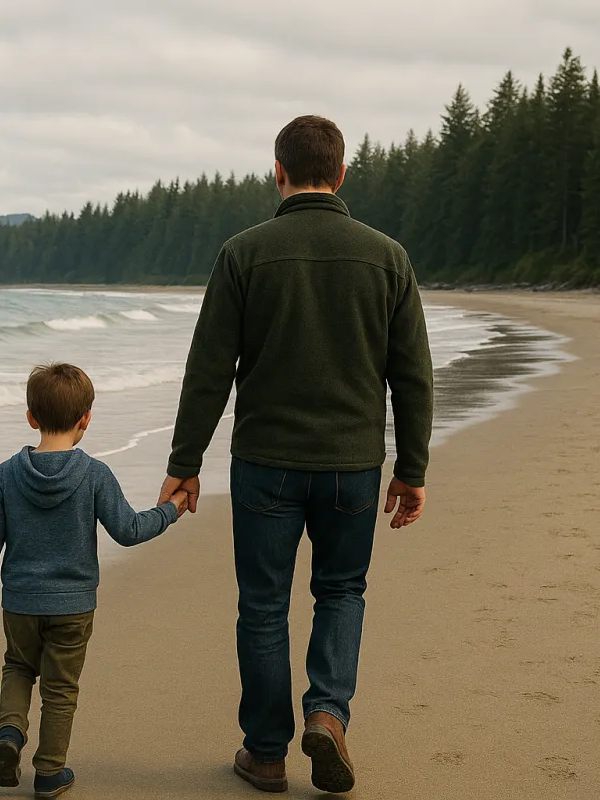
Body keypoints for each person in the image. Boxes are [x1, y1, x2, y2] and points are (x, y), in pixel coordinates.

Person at [159, 115, 434, 794]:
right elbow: (414, 374)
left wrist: (184, 462)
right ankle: (328, 715)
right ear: (341, 175)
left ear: (276, 171)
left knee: (263, 604)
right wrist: (412, 470)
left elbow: (209, 369)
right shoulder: (387, 256)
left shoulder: (243, 253)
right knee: (341, 590)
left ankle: (266, 751)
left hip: (265, 464)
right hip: (351, 465)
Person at [0, 362, 189, 799]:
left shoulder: (7, 474)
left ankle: (9, 735)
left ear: (31, 417)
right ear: (86, 418)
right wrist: (172, 509)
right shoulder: (93, 474)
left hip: (20, 602)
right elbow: (128, 530)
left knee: (17, 666)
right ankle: (49, 773)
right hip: (73, 605)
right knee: (60, 688)